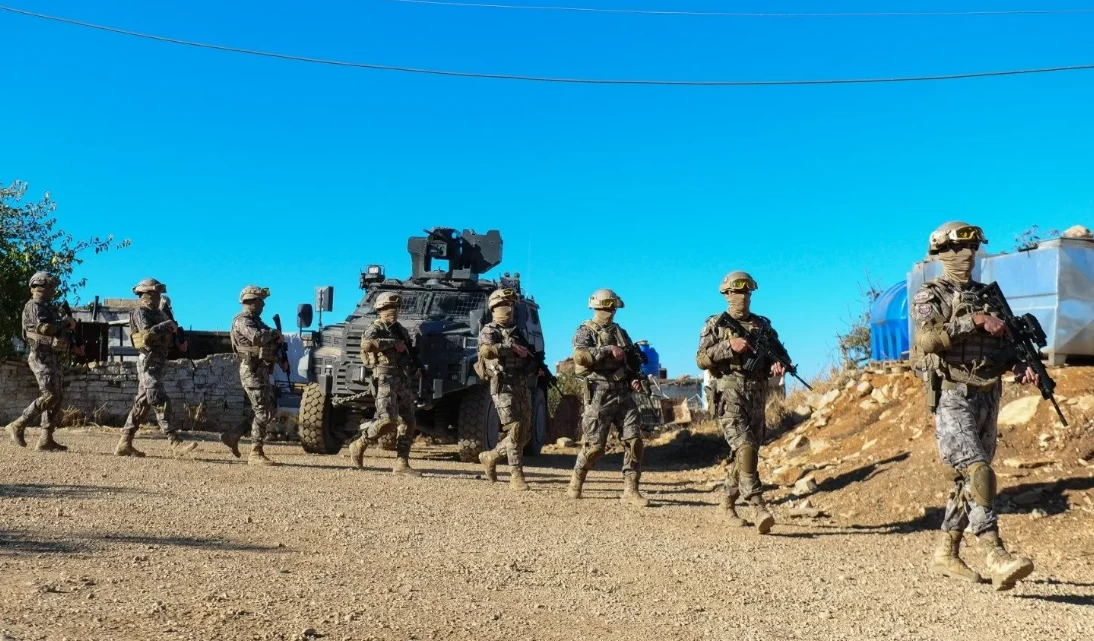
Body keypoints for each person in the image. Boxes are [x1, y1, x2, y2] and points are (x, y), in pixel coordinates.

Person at [912, 221, 1036, 591]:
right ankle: (995, 553)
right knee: (978, 471)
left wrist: (1018, 363)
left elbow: (1004, 343)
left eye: (971, 249)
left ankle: (946, 553)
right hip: (952, 394)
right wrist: (973, 320)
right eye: (955, 250)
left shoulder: (989, 295)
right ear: (940, 253)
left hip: (988, 394)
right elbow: (928, 340)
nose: (965, 256)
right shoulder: (928, 294)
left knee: (965, 482)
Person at [695, 271, 787, 534]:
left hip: (757, 395)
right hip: (729, 393)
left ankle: (726, 503)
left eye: (746, 292)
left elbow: (776, 354)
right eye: (736, 292)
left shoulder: (762, 326)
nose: (742, 297)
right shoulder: (716, 324)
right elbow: (701, 359)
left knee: (747, 453)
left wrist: (778, 365)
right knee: (745, 446)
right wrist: (728, 346)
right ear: (726, 294)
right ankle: (758, 505)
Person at [566, 288, 648, 507]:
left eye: (612, 308)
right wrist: (607, 349)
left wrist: (634, 378)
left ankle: (631, 489)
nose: (610, 312)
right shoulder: (586, 330)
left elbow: (630, 360)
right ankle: (577, 480)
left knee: (634, 441)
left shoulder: (621, 332)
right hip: (598, 393)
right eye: (606, 307)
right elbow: (581, 356)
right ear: (596, 307)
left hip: (623, 392)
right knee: (595, 447)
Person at [115, 278, 198, 457]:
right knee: (160, 398)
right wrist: (167, 325)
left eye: (159, 294)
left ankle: (125, 442)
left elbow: (170, 333)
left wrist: (179, 340)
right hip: (148, 361)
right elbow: (148, 335)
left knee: (142, 403)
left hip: (158, 361)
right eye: (155, 294)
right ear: (146, 294)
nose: (158, 297)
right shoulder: (140, 312)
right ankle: (174, 440)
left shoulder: (160, 313)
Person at [4, 271, 82, 451]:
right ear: (40, 287)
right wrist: (65, 322)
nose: (53, 291)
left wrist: (72, 342)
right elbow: (45, 329)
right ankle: (18, 424)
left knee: (57, 397)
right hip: (41, 357)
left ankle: (46, 439)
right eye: (50, 287)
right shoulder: (33, 306)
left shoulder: (49, 308)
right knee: (50, 395)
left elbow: (57, 334)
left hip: (52, 356)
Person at [347, 292, 422, 476]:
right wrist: (392, 343)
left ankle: (401, 463)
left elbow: (407, 353)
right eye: (388, 308)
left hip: (402, 379)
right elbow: (367, 345)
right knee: (387, 422)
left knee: (409, 421)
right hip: (384, 378)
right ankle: (359, 443)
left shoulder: (401, 330)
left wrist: (415, 368)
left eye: (395, 308)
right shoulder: (375, 328)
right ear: (380, 309)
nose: (393, 312)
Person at [476, 287, 541, 491]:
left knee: (524, 434)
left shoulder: (517, 332)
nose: (508, 309)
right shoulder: (489, 330)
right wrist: (510, 348)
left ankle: (491, 456)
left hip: (521, 384)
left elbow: (528, 356)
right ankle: (516, 475)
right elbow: (486, 351)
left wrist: (535, 368)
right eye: (504, 305)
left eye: (511, 305)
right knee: (514, 429)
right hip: (502, 385)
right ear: (494, 307)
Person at [221, 285, 284, 465]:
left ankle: (233, 436)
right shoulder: (242, 321)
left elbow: (269, 337)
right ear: (252, 301)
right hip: (251, 370)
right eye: (260, 301)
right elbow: (257, 337)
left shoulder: (256, 320)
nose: (263, 305)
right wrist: (275, 333)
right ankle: (255, 453)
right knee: (262, 411)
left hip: (261, 369)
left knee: (268, 409)